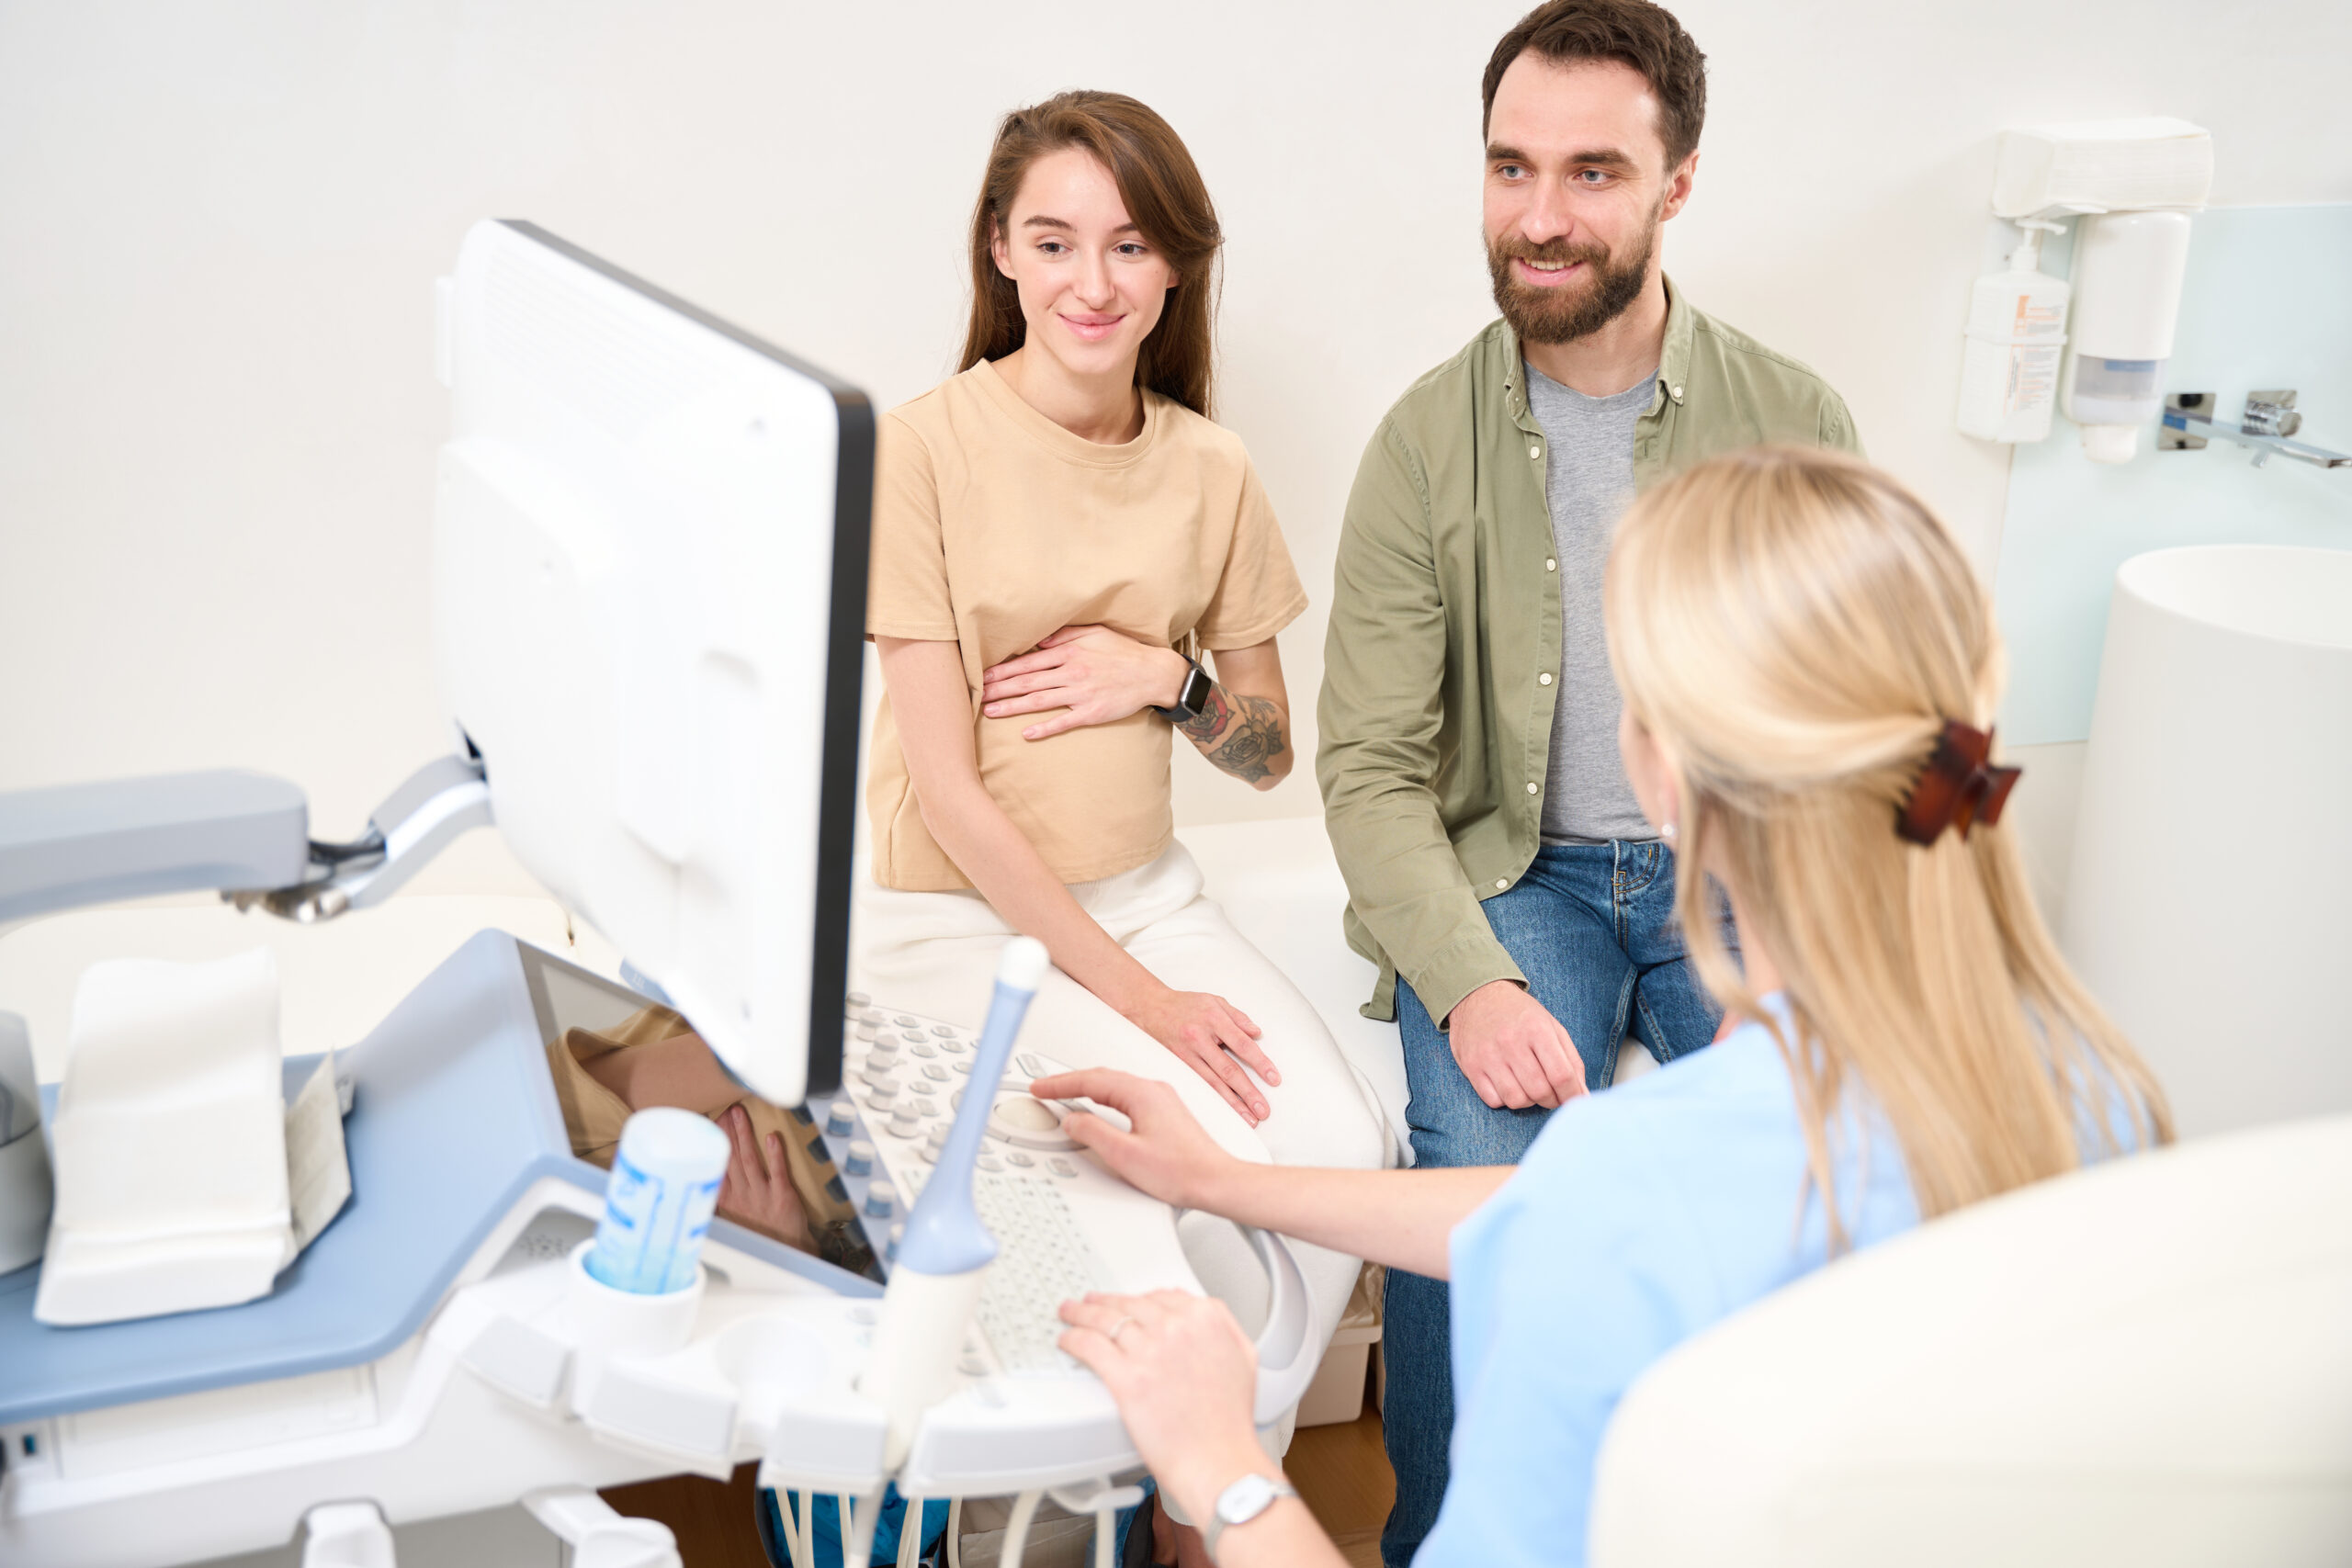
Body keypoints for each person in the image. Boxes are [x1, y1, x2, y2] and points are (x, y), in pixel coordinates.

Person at [1041, 446, 2173, 1567]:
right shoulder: (2091, 1086)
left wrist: (1219, 1460)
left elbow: (1617, 1211)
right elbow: (1581, 1210)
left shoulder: (1635, 1189)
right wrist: (1224, 1183)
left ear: (1660, 766)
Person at [1314, 3, 1864, 1553]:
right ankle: (1447, 1535)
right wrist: (1472, 982)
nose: (1540, 216)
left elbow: (1850, 721)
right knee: (1487, 1187)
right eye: (1511, 167)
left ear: (1678, 181)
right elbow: (1368, 764)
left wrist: (1805, 953)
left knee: (1818, 1179)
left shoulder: (1795, 420)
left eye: (1592, 172)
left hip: (1736, 872)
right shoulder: (1423, 444)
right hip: (1518, 877)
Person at [847, 87, 1388, 1561]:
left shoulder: (1210, 467)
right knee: (1106, 1199)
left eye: (1132, 244)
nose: (1093, 281)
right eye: (1055, 241)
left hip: (1146, 894)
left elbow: (1266, 752)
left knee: (1336, 1149)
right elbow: (950, 798)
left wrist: (1168, 675)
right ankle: (1105, 1503)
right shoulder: (921, 450)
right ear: (1001, 253)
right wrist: (1153, 1005)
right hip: (949, 920)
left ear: (1175, 268)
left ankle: (1209, 1497)